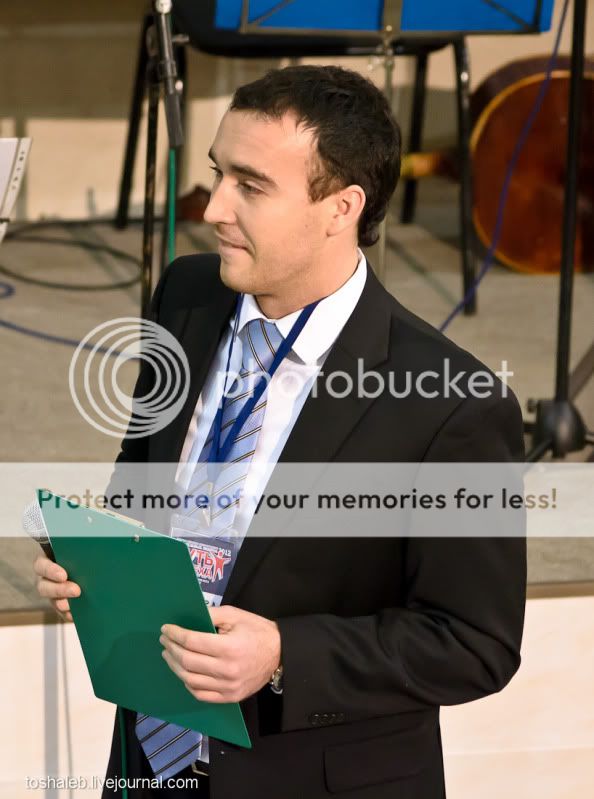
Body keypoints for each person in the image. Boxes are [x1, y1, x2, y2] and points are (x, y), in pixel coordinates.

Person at [34, 65, 526, 799]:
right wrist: (94, 560)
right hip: (149, 760)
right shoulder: (188, 295)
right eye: (218, 174)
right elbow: (141, 478)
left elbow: (474, 643)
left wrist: (284, 653)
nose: (214, 208)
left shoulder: (455, 404)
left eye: (252, 186)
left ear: (341, 207)